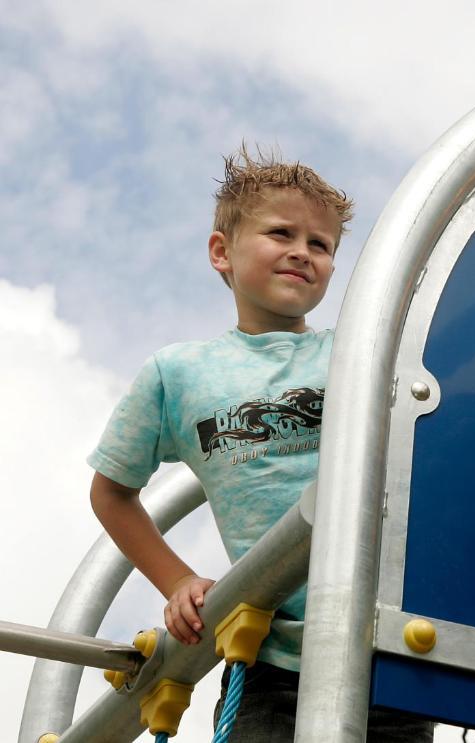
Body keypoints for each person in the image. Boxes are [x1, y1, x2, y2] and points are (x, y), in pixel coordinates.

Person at [88, 145, 432, 741]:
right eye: (281, 233)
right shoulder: (179, 374)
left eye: (321, 245)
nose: (303, 251)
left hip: (388, 646)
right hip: (269, 657)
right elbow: (112, 493)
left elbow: (450, 302)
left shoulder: (357, 349)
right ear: (222, 251)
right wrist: (177, 581)